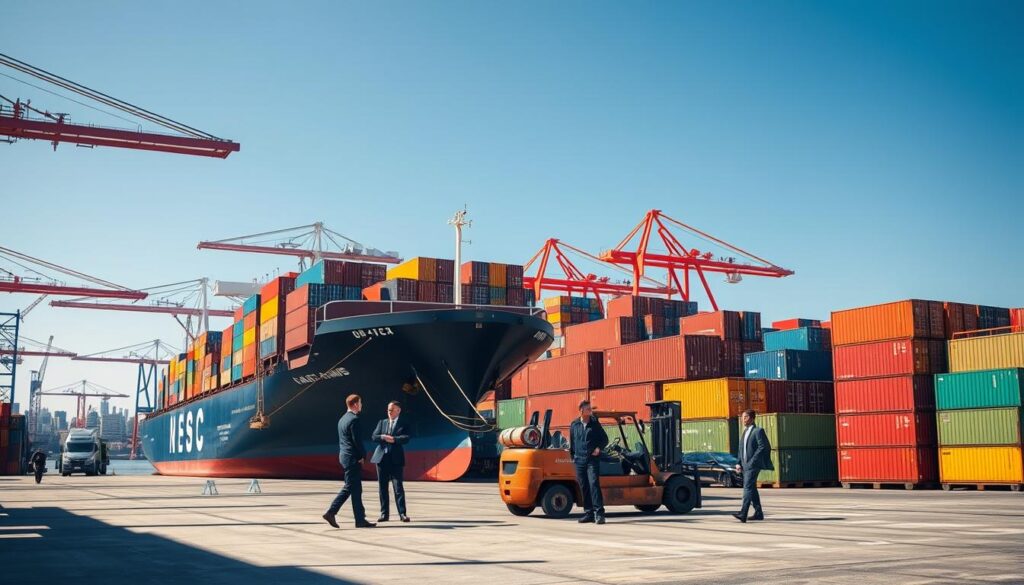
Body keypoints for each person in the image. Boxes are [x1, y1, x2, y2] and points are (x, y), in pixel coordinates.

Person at [323, 394, 375, 529]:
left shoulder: (342, 419)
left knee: (356, 489)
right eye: (360, 403)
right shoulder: (354, 420)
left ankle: (360, 520)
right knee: (349, 487)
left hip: (345, 456)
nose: (362, 405)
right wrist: (362, 456)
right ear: (356, 404)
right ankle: (331, 512)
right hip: (352, 458)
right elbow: (356, 441)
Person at [569, 400, 609, 525]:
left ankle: (599, 514)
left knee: (594, 485)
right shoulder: (574, 424)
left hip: (592, 460)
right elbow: (572, 442)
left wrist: (598, 448)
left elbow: (604, 439)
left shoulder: (595, 423)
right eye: (588, 409)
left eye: (590, 409)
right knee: (584, 486)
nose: (590, 411)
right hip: (579, 460)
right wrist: (573, 457)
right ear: (581, 410)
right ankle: (589, 513)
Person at [371, 401, 411, 523]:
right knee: (382, 487)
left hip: (396, 459)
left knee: (398, 487)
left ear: (398, 410)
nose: (389, 411)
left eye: (392, 409)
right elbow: (374, 436)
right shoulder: (382, 422)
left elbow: (406, 438)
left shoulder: (403, 423)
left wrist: (394, 439)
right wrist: (383, 437)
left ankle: (402, 514)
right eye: (388, 409)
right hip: (381, 459)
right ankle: (384, 514)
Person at [733, 409, 773, 523]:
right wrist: (738, 463)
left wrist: (753, 461)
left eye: (745, 417)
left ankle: (743, 513)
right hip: (745, 465)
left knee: (747, 487)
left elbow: (763, 447)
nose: (743, 420)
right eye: (742, 418)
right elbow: (741, 448)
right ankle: (758, 513)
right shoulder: (745, 432)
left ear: (752, 418)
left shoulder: (758, 431)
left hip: (753, 465)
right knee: (752, 488)